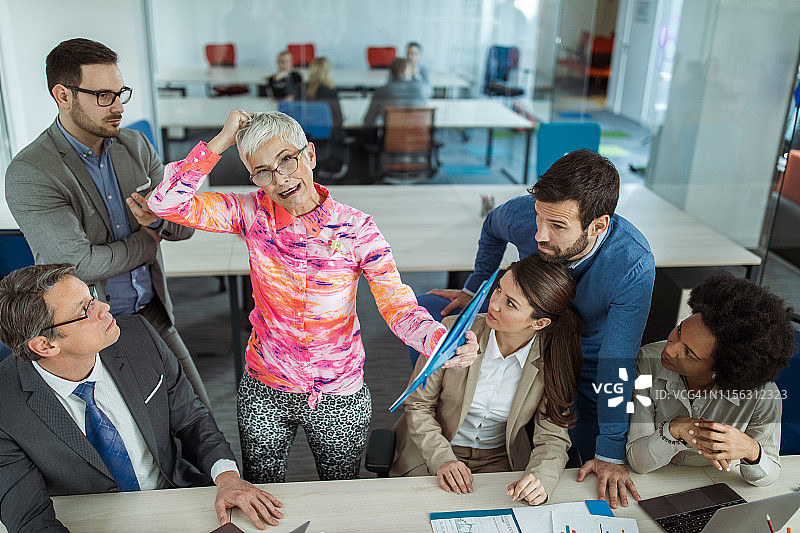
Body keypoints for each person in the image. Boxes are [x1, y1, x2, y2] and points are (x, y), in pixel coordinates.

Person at [147, 110, 479, 484]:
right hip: (265, 388)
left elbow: (397, 304)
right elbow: (163, 203)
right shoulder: (251, 212)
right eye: (263, 171)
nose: (281, 178)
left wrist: (440, 341)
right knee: (262, 491)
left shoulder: (357, 228)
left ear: (311, 155)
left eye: (287, 159)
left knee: (338, 495)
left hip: (340, 393)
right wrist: (221, 140)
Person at [417, 149, 656, 508]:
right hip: (523, 335)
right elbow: (491, 228)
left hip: (588, 355)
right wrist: (476, 287)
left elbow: (616, 362)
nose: (539, 235)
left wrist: (609, 451)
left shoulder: (632, 266)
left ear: (598, 226)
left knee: (586, 471)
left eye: (557, 226)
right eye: (538, 218)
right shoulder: (528, 216)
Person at [3, 38, 210, 409]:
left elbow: (185, 226)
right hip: (83, 335)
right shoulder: (32, 171)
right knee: (127, 443)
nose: (117, 108)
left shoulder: (137, 146)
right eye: (103, 95)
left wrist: (162, 224)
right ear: (63, 95)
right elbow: (76, 264)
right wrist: (148, 243)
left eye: (120, 93)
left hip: (153, 318)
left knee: (203, 421)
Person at [0, 264, 283, 532]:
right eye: (85, 310)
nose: (104, 308)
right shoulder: (5, 407)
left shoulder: (138, 336)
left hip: (177, 500)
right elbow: (30, 519)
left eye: (92, 296)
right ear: (45, 345)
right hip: (89, 521)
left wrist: (228, 478)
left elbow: (191, 420)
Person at [392, 255, 583, 505]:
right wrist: (443, 459)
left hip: (501, 460)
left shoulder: (553, 358)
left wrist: (541, 478)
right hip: (432, 449)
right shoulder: (454, 332)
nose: (493, 305)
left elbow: (553, 435)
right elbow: (418, 405)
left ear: (540, 322)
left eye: (511, 304)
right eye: (498, 290)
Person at [627, 274, 795, 486]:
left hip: (719, 483)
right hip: (655, 483)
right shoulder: (648, 362)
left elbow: (767, 475)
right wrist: (675, 429)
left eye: (689, 353)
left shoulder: (762, 395)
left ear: (721, 369)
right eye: (679, 331)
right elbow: (638, 461)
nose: (670, 349)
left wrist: (751, 450)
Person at [363, 57, 426, 126]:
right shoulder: (419, 91)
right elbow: (424, 120)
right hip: (416, 136)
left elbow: (368, 120)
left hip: (391, 135)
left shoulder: (381, 91)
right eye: (409, 71)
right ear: (404, 72)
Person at [307, 57, 343, 128]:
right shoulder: (330, 92)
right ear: (328, 73)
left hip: (307, 135)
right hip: (328, 135)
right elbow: (339, 120)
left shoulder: (303, 89)